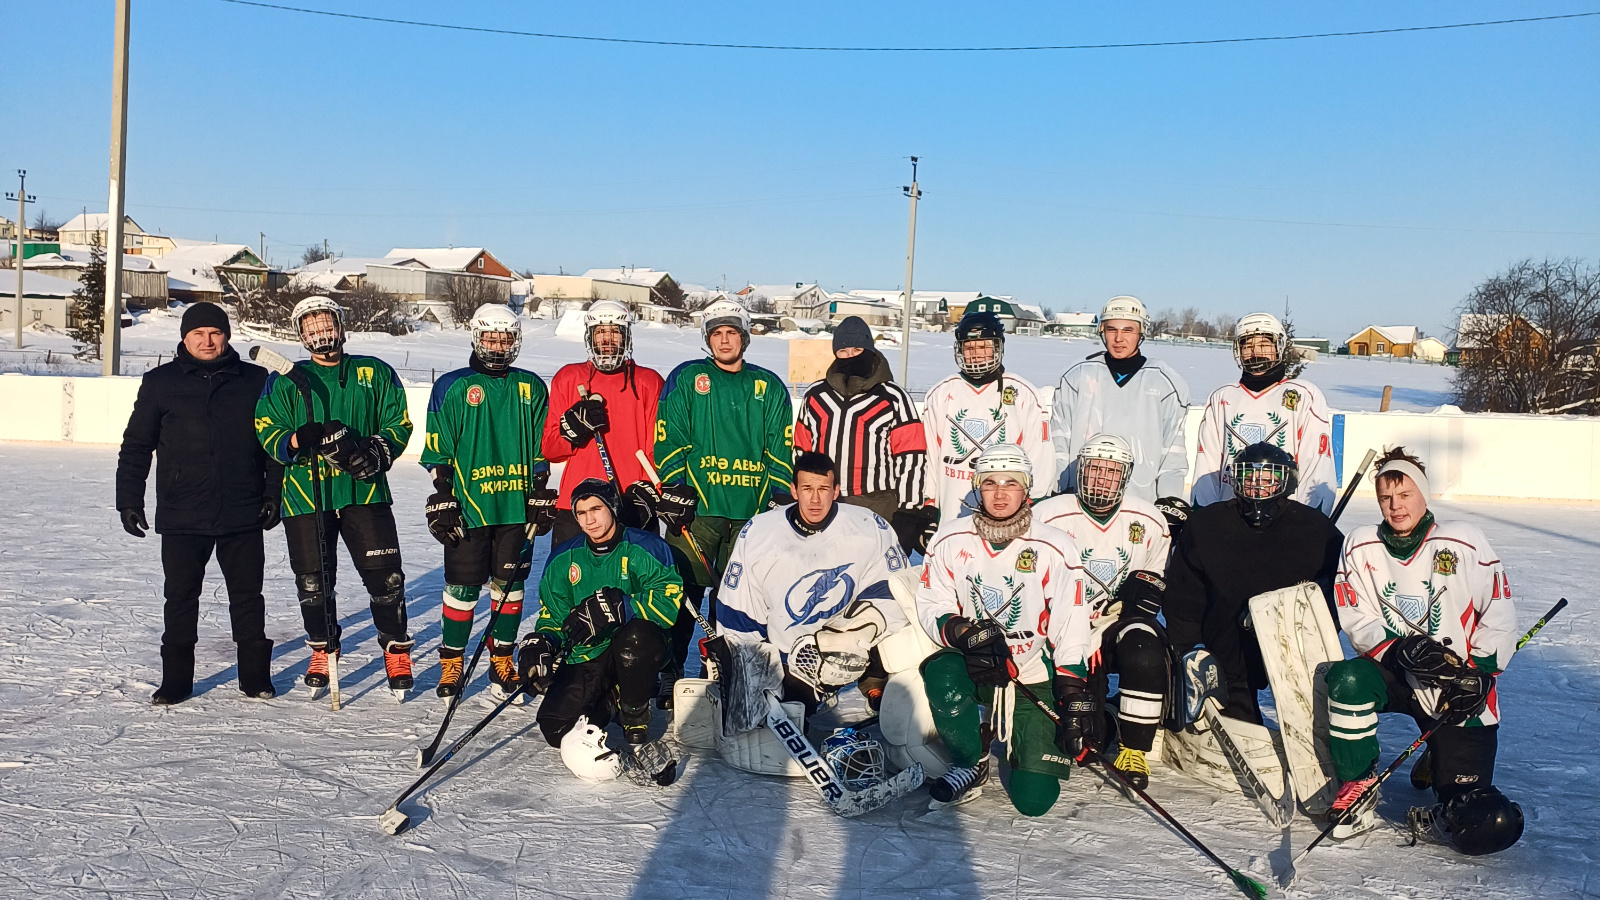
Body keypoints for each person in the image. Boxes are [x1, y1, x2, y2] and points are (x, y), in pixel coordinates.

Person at [1321, 448, 1523, 852]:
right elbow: (1355, 615)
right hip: (1394, 672)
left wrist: (1479, 673)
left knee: (1474, 816)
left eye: (1405, 495)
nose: (1395, 506)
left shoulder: (1463, 541)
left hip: (1455, 685)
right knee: (1346, 681)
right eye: (1385, 498)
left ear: (1424, 494)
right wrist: (1397, 651)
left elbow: (1499, 614)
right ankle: (1358, 782)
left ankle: (1439, 754)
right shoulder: (1361, 546)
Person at [116, 303, 282, 704]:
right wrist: (129, 500)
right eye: (198, 334)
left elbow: (273, 446)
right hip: (181, 512)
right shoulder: (160, 382)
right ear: (184, 338)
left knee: (247, 598)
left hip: (241, 509)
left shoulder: (256, 380)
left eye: (215, 333)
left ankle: (255, 677)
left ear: (226, 336)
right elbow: (137, 445)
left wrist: (272, 494)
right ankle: (176, 681)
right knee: (180, 597)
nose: (207, 342)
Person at [913, 444, 1093, 814]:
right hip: (976, 665)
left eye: (1011, 483)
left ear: (1026, 489)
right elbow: (933, 603)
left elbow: (1070, 623)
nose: (999, 492)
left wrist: (1072, 690)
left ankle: (1023, 740)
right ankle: (969, 760)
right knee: (942, 673)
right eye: (990, 482)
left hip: (1030, 674)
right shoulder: (950, 538)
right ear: (977, 486)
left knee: (1034, 801)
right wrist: (963, 633)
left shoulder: (1055, 546)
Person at [254, 296, 416, 697]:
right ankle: (323, 648)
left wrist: (378, 451)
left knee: (386, 578)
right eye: (312, 329)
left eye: (327, 326)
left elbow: (398, 421)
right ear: (301, 336)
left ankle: (395, 647)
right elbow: (266, 428)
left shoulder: (374, 371)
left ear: (342, 328)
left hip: (365, 493)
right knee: (313, 582)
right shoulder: (286, 378)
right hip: (306, 495)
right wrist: (296, 438)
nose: (322, 335)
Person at [653, 299, 794, 690]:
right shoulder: (687, 377)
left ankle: (717, 668)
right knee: (683, 592)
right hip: (699, 509)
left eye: (732, 332)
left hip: (749, 512)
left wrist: (776, 498)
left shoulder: (767, 385)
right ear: (708, 339)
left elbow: (780, 448)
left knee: (734, 600)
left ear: (745, 337)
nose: (725, 340)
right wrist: (675, 487)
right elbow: (670, 437)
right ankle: (669, 667)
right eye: (717, 333)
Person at [708, 451, 911, 715]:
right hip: (785, 658)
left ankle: (875, 685)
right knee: (784, 710)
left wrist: (854, 634)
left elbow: (894, 591)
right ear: (793, 490)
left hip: (848, 650)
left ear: (836, 490)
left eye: (823, 489)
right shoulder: (759, 532)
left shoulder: (869, 527)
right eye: (807, 489)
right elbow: (740, 610)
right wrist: (746, 669)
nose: (815, 499)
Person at [420, 305, 553, 701]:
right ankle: (452, 662)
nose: (498, 345)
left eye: (505, 338)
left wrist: (540, 490)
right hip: (470, 507)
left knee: (510, 590)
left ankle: (502, 659)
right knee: (461, 589)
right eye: (491, 338)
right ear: (476, 338)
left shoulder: (531, 386)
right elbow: (438, 447)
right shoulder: (452, 385)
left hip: (515, 508)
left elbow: (540, 449)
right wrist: (442, 493)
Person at [1163, 442, 1342, 725]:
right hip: (1226, 643)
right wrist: (1185, 650)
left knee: (1307, 700)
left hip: (1291, 641)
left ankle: (1308, 726)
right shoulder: (1207, 525)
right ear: (1235, 479)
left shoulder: (1316, 529)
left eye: (1269, 478)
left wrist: (1292, 617)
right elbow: (1185, 596)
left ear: (1287, 481)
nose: (1258, 486)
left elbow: (1333, 594)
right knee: (1229, 687)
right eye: (1249, 476)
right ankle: (1238, 712)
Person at [1033, 434, 1173, 787]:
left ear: (1125, 477)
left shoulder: (1149, 519)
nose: (1101, 480)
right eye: (1094, 470)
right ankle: (1107, 715)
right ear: (1080, 471)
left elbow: (1157, 573)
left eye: (1111, 473)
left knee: (1144, 645)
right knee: (1085, 745)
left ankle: (1134, 749)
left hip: (1113, 624)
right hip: (1061, 628)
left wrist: (1141, 597)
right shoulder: (1047, 515)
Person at [516, 479, 684, 747]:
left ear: (613, 508)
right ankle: (612, 700)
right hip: (589, 651)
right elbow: (554, 616)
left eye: (596, 509)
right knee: (558, 730)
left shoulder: (647, 547)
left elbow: (668, 604)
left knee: (637, 638)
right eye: (581, 513)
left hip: (638, 644)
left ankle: (634, 711)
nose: (589, 520)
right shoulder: (563, 557)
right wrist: (544, 641)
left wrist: (623, 607)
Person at [1051, 296, 1191, 534]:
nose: (1118, 338)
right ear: (1102, 331)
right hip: (1082, 500)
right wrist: (1058, 488)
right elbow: (1059, 441)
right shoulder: (1078, 375)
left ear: (1141, 333)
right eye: (1111, 329)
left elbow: (1172, 452)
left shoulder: (1165, 381)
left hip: (1139, 505)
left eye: (1128, 330)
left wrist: (1168, 500)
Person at [793, 316, 931, 555]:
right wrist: (800, 494)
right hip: (824, 503)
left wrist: (908, 512)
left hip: (877, 505)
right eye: (843, 351)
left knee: (873, 583)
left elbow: (912, 457)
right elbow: (801, 451)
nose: (850, 356)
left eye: (857, 349)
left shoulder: (893, 397)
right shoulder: (816, 396)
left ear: (869, 350)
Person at [543, 300, 667, 546]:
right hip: (578, 504)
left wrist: (651, 494)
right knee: (569, 581)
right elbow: (550, 450)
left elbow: (659, 449)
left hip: (631, 503)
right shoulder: (568, 378)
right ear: (590, 337)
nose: (607, 339)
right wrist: (571, 431)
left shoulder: (649, 381)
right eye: (601, 332)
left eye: (615, 332)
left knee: (635, 582)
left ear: (626, 336)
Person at [921, 309, 1053, 532]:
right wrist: (929, 506)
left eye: (983, 347)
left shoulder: (1023, 393)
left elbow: (1039, 458)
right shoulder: (941, 393)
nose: (976, 354)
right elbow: (930, 457)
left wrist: (1035, 502)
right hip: (952, 516)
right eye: (969, 347)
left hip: (1007, 515)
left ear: (998, 347)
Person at [1191, 312, 1336, 514]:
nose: (1255, 352)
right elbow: (1207, 465)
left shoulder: (1304, 395)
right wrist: (1206, 518)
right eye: (1247, 345)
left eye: (1264, 345)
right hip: (1231, 516)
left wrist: (1305, 521)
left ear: (1279, 346)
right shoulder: (1221, 397)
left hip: (1284, 518)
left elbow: (1316, 466)